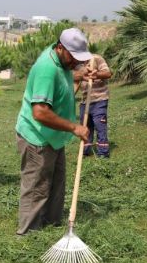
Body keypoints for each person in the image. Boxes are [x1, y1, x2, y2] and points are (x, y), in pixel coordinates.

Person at [15, 28, 91, 236]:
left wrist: (78, 75)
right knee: (37, 186)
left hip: (54, 137)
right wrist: (74, 127)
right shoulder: (46, 68)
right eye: (74, 57)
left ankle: (51, 224)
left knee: (57, 183)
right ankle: (28, 234)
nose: (76, 61)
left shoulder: (62, 63)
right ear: (60, 48)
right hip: (37, 138)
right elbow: (39, 112)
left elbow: (62, 80)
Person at [74, 54, 113, 158]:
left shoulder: (96, 58)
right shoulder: (76, 63)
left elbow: (108, 73)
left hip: (100, 99)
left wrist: (97, 75)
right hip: (85, 101)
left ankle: (103, 153)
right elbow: (76, 81)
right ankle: (86, 150)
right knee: (86, 127)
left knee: (100, 125)